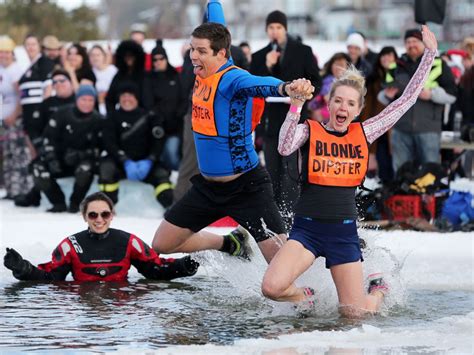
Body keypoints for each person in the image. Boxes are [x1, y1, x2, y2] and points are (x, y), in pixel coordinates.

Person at [261, 26, 438, 318]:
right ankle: (308, 297)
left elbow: (405, 101)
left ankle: (378, 288)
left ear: (357, 111)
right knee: (271, 287)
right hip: (306, 231)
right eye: (338, 101)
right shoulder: (310, 130)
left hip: (343, 234)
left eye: (351, 104)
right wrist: (295, 106)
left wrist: (429, 55)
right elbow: (283, 147)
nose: (343, 107)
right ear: (329, 104)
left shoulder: (365, 131)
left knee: (354, 314)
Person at [151, 20, 313, 263]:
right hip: (207, 189)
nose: (193, 56)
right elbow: (216, 16)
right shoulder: (204, 68)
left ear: (221, 53)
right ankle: (230, 243)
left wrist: (287, 87)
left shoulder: (233, 79)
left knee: (282, 265)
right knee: (162, 244)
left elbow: (260, 84)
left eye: (201, 51)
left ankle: (322, 272)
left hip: (246, 188)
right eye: (192, 49)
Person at [4, 192, 199, 282]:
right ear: (84, 217)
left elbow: (155, 269)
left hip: (119, 309)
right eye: (93, 215)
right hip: (85, 308)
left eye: (105, 214)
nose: (99, 220)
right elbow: (51, 276)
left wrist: (183, 266)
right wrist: (23, 269)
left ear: (111, 216)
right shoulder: (70, 245)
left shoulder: (129, 242)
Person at [250, 10, 321, 228]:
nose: (274, 32)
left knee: (291, 170)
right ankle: (275, 218)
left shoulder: (303, 51)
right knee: (272, 169)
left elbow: (315, 81)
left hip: (295, 117)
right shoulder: (259, 55)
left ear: (285, 29)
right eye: (271, 28)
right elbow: (254, 84)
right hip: (270, 122)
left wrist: (302, 97)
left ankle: (293, 217)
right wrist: (268, 66)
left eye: (278, 27)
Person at [379, 28, 457, 173]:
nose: (411, 44)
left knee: (430, 172)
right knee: (401, 172)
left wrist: (432, 94)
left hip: (428, 129)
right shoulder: (395, 66)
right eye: (408, 42)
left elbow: (452, 95)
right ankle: (402, 196)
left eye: (415, 41)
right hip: (400, 128)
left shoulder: (438, 64)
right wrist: (387, 95)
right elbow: (383, 95)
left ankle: (428, 196)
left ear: (423, 43)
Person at [99, 83, 174, 209]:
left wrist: (150, 160)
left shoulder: (150, 117)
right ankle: (107, 207)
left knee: (162, 175)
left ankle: (169, 208)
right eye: (124, 96)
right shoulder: (112, 117)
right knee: (106, 170)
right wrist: (124, 160)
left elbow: (158, 141)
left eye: (130, 96)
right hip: (121, 162)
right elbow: (108, 142)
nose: (127, 99)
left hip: (146, 162)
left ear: (137, 98)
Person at [33, 84, 102, 213]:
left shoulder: (98, 120)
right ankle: (58, 203)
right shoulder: (61, 114)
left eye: (90, 100)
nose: (87, 103)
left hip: (82, 162)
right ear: (77, 99)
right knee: (38, 169)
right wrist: (51, 157)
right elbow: (48, 138)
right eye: (83, 99)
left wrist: (81, 155)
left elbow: (100, 148)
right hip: (59, 159)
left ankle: (75, 204)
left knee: (85, 170)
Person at [14, 34, 55, 208]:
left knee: (40, 155)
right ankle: (36, 192)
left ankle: (42, 193)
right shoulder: (28, 66)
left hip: (39, 116)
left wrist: (42, 111)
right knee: (34, 156)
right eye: (27, 45)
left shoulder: (44, 62)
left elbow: (48, 88)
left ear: (39, 46)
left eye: (33, 44)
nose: (31, 47)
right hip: (29, 117)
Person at [0, 35, 34, 200]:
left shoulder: (15, 70)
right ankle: (11, 189)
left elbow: (21, 95)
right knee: (8, 155)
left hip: (15, 119)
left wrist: (15, 114)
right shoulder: (1, 70)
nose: (3, 55)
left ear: (12, 53)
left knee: (19, 154)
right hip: (4, 120)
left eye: (6, 52)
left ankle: (22, 189)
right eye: (1, 52)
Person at [142, 40, 184, 171]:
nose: (158, 62)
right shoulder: (149, 79)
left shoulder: (176, 76)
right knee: (160, 158)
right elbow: (148, 102)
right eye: (155, 60)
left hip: (176, 127)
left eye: (161, 58)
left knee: (172, 155)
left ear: (166, 59)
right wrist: (157, 119)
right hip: (157, 126)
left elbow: (183, 98)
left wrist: (179, 114)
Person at [89, 44, 117, 115]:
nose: (95, 58)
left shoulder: (113, 70)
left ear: (103, 56)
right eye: (92, 55)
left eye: (98, 55)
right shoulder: (89, 72)